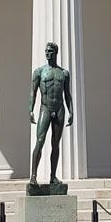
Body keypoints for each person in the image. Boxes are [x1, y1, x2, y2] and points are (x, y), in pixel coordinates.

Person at [29, 41, 74, 186]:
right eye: (46, 51)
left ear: (56, 53)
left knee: (56, 144)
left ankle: (53, 176)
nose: (47, 54)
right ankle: (33, 176)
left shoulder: (64, 73)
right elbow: (33, 92)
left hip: (59, 108)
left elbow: (67, 94)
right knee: (40, 141)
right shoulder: (39, 72)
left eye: (50, 51)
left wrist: (71, 111)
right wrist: (30, 109)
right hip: (45, 107)